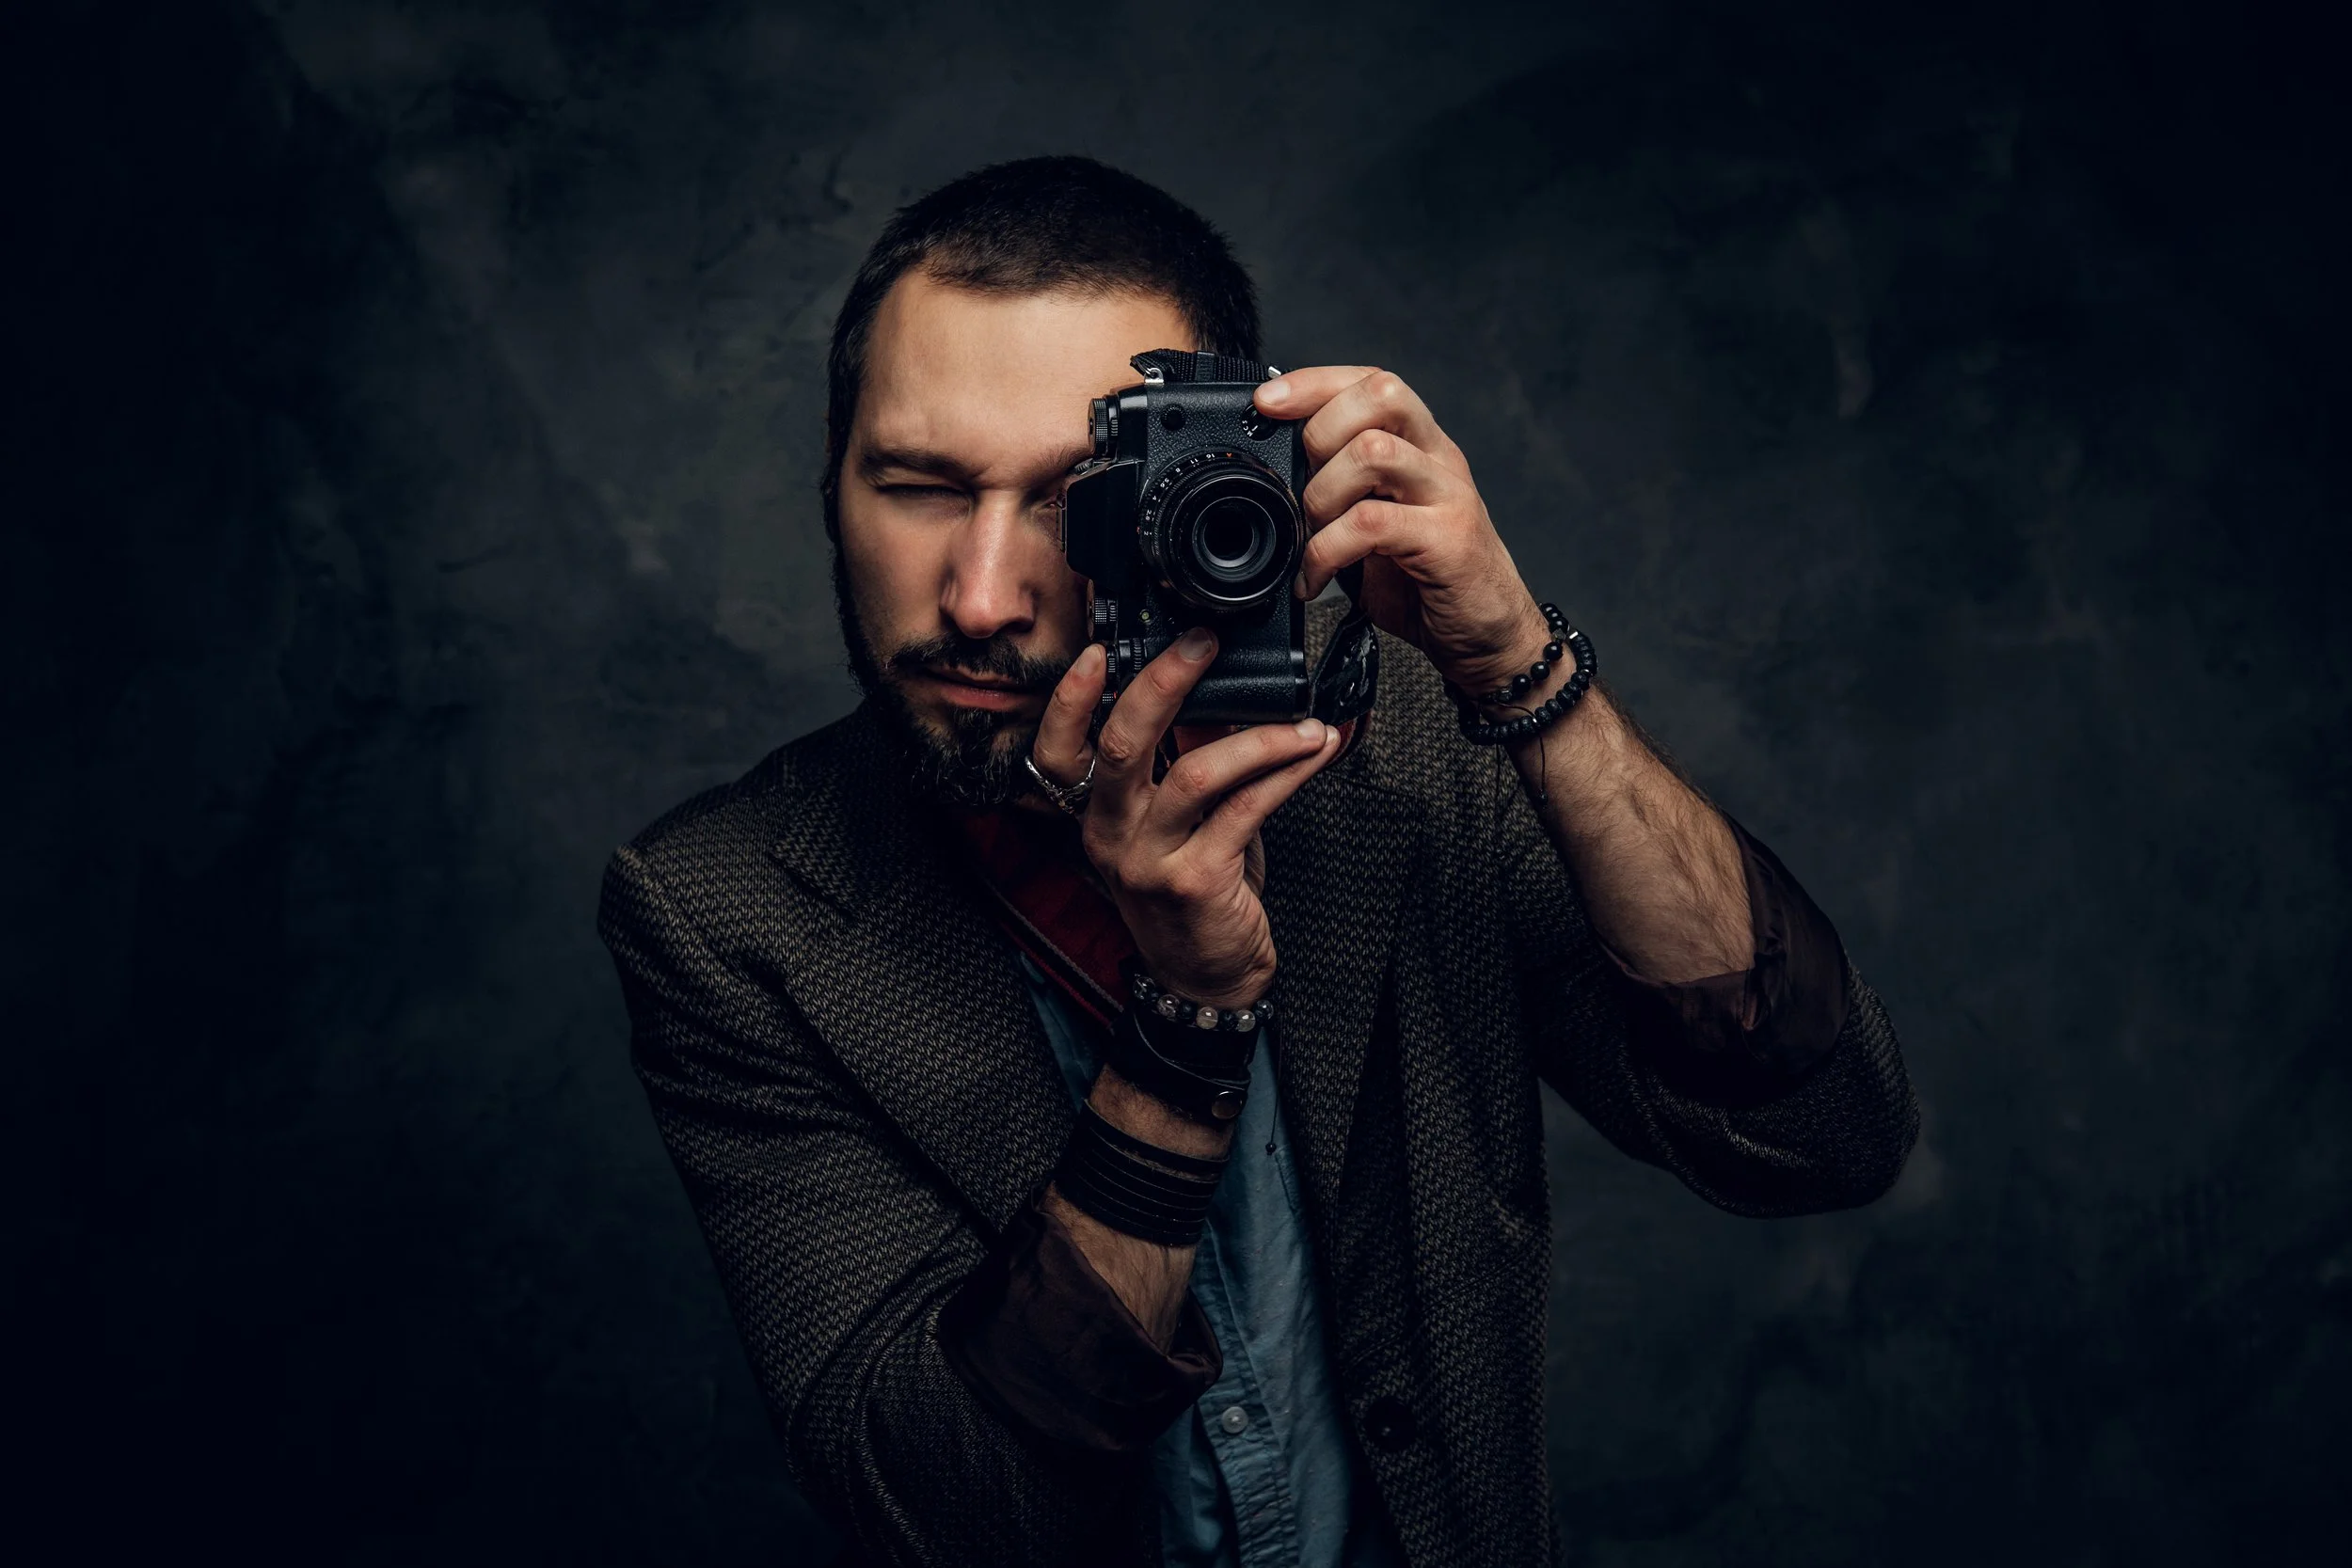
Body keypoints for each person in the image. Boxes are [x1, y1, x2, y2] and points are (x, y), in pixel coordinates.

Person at [598, 156, 1917, 1568]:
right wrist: (1186, 1018)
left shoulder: (1397, 748)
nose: (981, 595)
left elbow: (1818, 1132)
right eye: (920, 485)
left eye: (1069, 502)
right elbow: (959, 1512)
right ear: (831, 474)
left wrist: (1521, 672)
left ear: (1213, 483)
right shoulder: (726, 916)